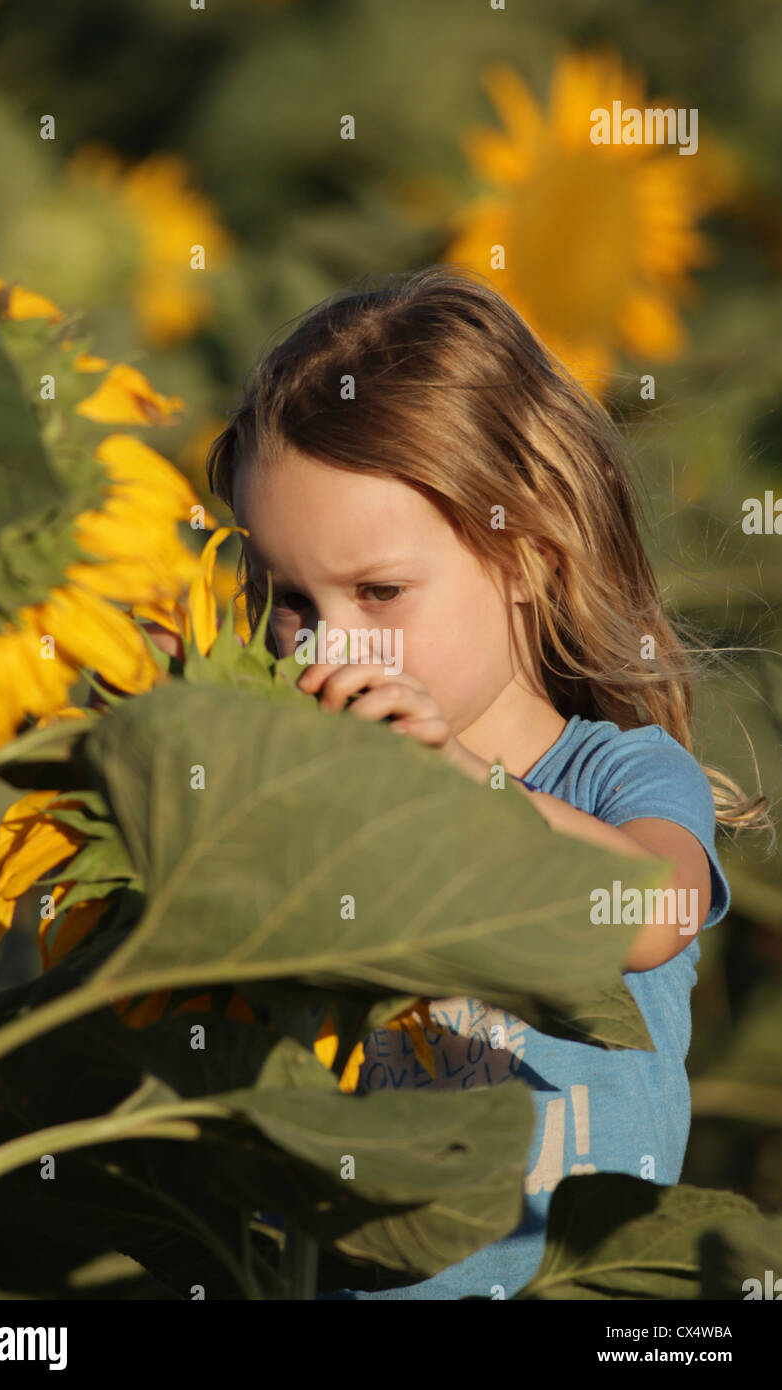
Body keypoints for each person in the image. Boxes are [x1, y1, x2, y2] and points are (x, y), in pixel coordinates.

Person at [202, 264, 770, 1299]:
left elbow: (656, 910)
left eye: (379, 590)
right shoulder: (306, 810)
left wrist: (462, 784)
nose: (328, 642)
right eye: (290, 597)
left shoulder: (617, 770)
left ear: (529, 555)